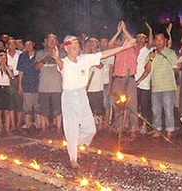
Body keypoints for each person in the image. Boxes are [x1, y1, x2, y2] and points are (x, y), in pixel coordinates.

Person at [52, 35, 136, 169]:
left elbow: (103, 54)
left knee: (90, 129)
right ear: (66, 48)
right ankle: (73, 158)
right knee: (72, 128)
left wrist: (122, 48)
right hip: (69, 96)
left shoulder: (84, 59)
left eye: (78, 47)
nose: (77, 49)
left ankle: (75, 145)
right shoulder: (64, 62)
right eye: (73, 47)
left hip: (82, 95)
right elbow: (60, 66)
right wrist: (56, 58)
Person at [136, 31, 179, 138]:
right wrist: (150, 58)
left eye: (161, 39)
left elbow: (176, 68)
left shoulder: (171, 53)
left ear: (165, 40)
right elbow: (147, 70)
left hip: (168, 86)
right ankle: (157, 129)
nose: (158, 42)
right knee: (156, 110)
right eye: (157, 40)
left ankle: (169, 130)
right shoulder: (151, 53)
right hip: (155, 86)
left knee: (168, 109)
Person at [109, 21, 139, 139]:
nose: (126, 39)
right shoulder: (118, 48)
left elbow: (135, 42)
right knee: (118, 104)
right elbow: (109, 45)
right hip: (118, 79)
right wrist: (118, 32)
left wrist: (125, 30)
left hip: (129, 78)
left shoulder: (134, 49)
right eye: (124, 38)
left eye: (127, 38)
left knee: (132, 105)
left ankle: (133, 129)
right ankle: (119, 127)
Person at [35, 33, 65, 133]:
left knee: (58, 109)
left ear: (56, 42)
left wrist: (56, 58)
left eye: (54, 40)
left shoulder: (61, 53)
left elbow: (64, 67)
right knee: (44, 110)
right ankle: (44, 129)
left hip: (58, 86)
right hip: (44, 86)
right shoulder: (40, 53)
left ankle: (59, 129)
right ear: (46, 41)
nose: (52, 42)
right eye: (50, 40)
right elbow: (36, 67)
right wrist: (45, 59)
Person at [17, 39, 41, 131]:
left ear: (33, 45)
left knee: (37, 106)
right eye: (26, 45)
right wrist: (20, 85)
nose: (28, 47)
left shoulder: (38, 55)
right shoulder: (22, 56)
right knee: (27, 107)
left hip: (37, 84)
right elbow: (21, 71)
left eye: (30, 44)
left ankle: (38, 126)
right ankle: (28, 125)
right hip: (26, 84)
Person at [0, 50, 14, 137]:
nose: (3, 59)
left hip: (6, 88)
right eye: (1, 58)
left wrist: (6, 67)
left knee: (7, 111)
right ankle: (0, 130)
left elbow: (11, 76)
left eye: (5, 58)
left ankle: (7, 130)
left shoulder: (10, 66)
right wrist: (0, 67)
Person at [135, 29, 153, 134]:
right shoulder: (135, 50)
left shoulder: (148, 51)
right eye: (138, 38)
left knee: (144, 105)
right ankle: (135, 125)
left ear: (145, 40)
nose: (140, 40)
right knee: (135, 105)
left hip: (144, 82)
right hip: (134, 81)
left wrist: (150, 31)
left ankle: (144, 125)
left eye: (142, 38)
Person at [6, 37, 23, 132]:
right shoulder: (4, 55)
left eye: (14, 44)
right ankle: (12, 125)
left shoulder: (20, 54)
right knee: (10, 103)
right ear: (7, 45)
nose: (12, 46)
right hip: (8, 80)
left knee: (19, 102)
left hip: (17, 78)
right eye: (10, 44)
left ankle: (19, 124)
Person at [99, 37, 114, 127]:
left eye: (105, 42)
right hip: (97, 82)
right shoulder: (98, 53)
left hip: (106, 81)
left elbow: (110, 70)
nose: (104, 44)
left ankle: (107, 121)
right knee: (100, 103)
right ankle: (100, 122)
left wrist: (110, 85)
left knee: (106, 103)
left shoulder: (110, 54)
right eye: (102, 42)